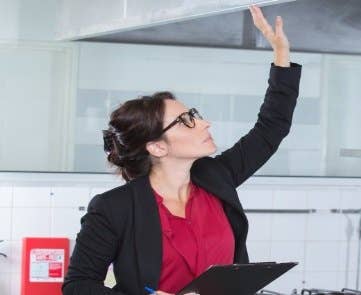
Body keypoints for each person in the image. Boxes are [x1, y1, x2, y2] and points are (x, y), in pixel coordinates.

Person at [62, 5, 300, 295]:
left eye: (195, 114)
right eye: (186, 121)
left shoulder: (216, 177)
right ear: (157, 147)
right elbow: (78, 286)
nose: (203, 123)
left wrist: (281, 56)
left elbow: (271, 128)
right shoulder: (114, 208)